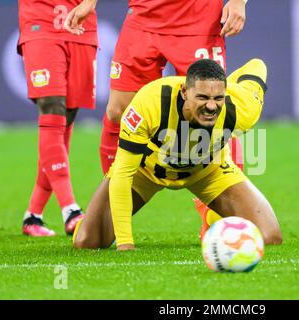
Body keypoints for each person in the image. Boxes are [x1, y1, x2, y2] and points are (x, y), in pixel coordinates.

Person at [64, 0, 248, 238]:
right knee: (117, 112)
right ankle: (109, 209)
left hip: (199, 19)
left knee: (211, 112)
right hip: (144, 17)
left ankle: (214, 218)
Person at [73, 58, 283, 251]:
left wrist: (232, 83)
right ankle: (85, 222)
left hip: (208, 172)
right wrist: (125, 243)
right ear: (184, 92)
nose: (211, 106)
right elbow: (122, 174)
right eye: (202, 97)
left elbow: (257, 65)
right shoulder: (149, 102)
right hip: (146, 172)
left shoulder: (240, 109)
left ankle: (212, 217)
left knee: (268, 236)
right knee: (86, 242)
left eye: (218, 97)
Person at [18, 0, 98, 236]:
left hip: (82, 24)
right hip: (40, 21)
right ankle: (70, 210)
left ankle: (33, 215)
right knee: (52, 107)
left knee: (66, 118)